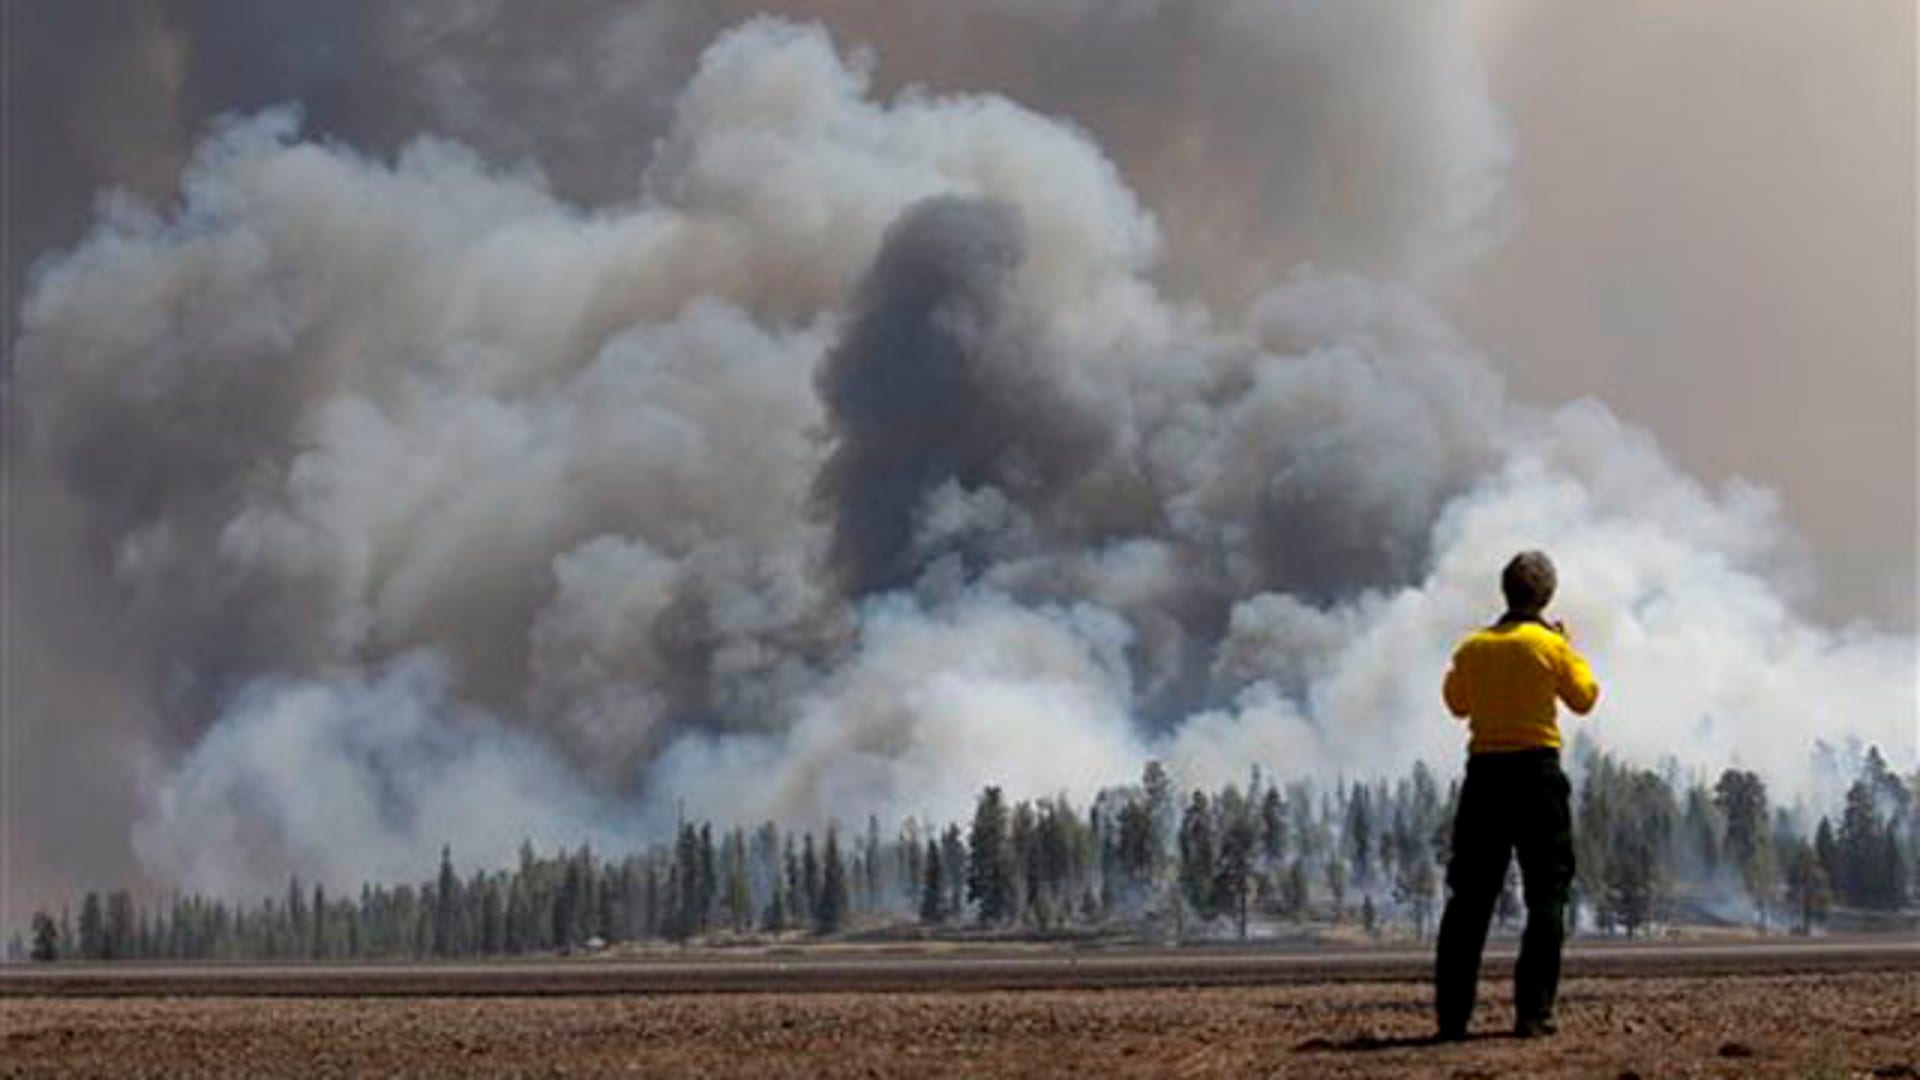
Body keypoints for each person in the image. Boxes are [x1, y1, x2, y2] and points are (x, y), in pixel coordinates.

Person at [1434, 550, 1599, 1041]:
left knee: (1469, 898)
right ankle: (1533, 1012)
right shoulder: (1550, 646)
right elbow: (1585, 698)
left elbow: (1455, 703)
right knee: (1547, 894)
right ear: (1546, 596)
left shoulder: (1473, 647)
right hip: (1537, 776)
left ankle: (1453, 1018)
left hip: (1485, 776)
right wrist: (1566, 646)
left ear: (1505, 592)